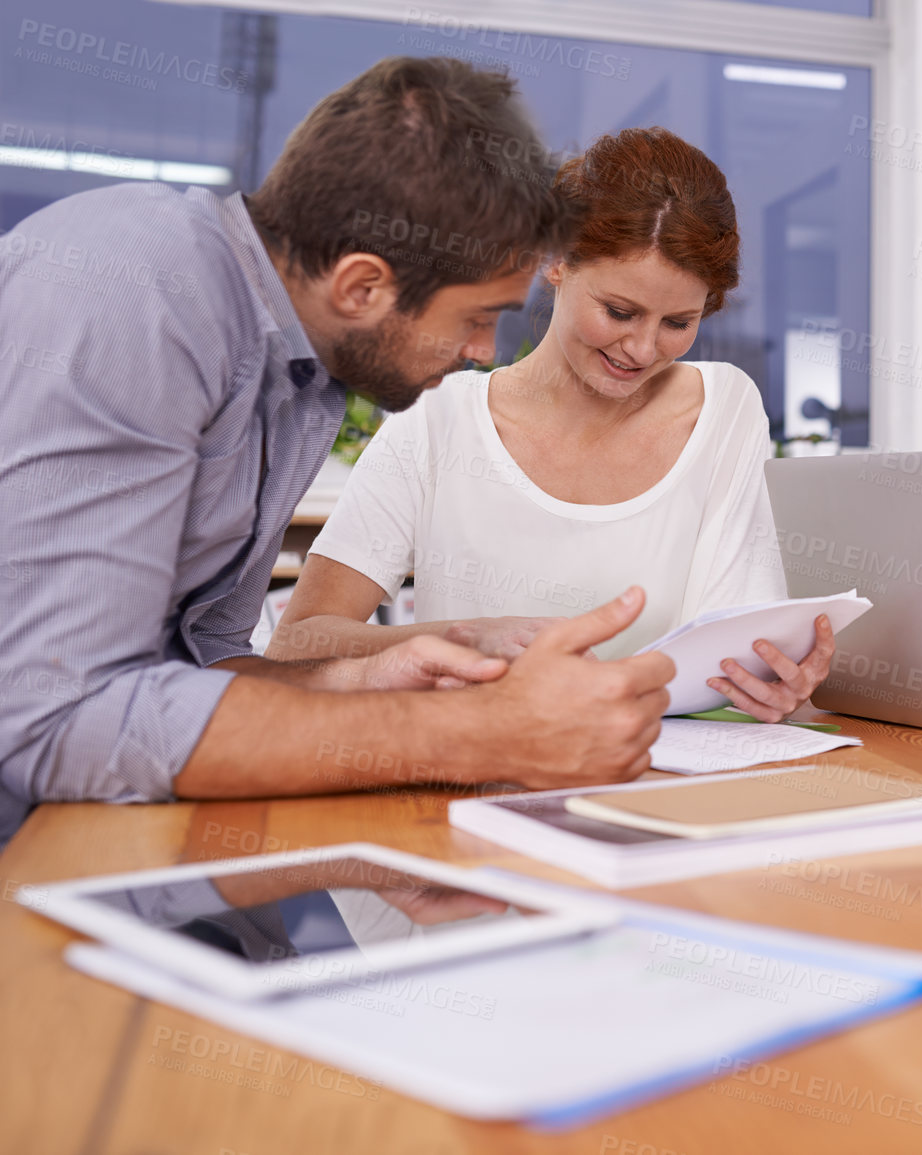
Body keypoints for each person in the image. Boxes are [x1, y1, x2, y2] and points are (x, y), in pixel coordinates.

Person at [0, 57, 676, 851]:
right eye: (477, 316)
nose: (484, 352)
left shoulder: (305, 366)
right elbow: (55, 721)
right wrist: (477, 732)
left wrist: (363, 677)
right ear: (362, 287)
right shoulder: (132, 295)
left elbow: (195, 665)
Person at [268, 128, 832, 724]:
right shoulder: (437, 417)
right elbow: (298, 643)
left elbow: (733, 653)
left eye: (678, 321)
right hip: (468, 782)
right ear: (557, 261)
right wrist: (467, 639)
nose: (641, 348)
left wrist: (777, 690)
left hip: (657, 780)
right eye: (619, 311)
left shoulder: (723, 408)